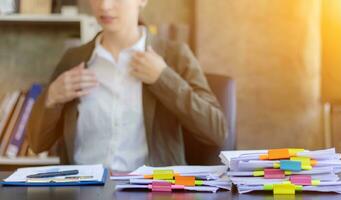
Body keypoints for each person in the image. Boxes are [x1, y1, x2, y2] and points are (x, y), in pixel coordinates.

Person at [27, 0, 227, 171]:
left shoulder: (175, 56)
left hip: (153, 192)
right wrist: (51, 97)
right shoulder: (73, 59)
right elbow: (37, 144)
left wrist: (164, 79)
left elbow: (217, 131)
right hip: (82, 190)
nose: (104, 6)